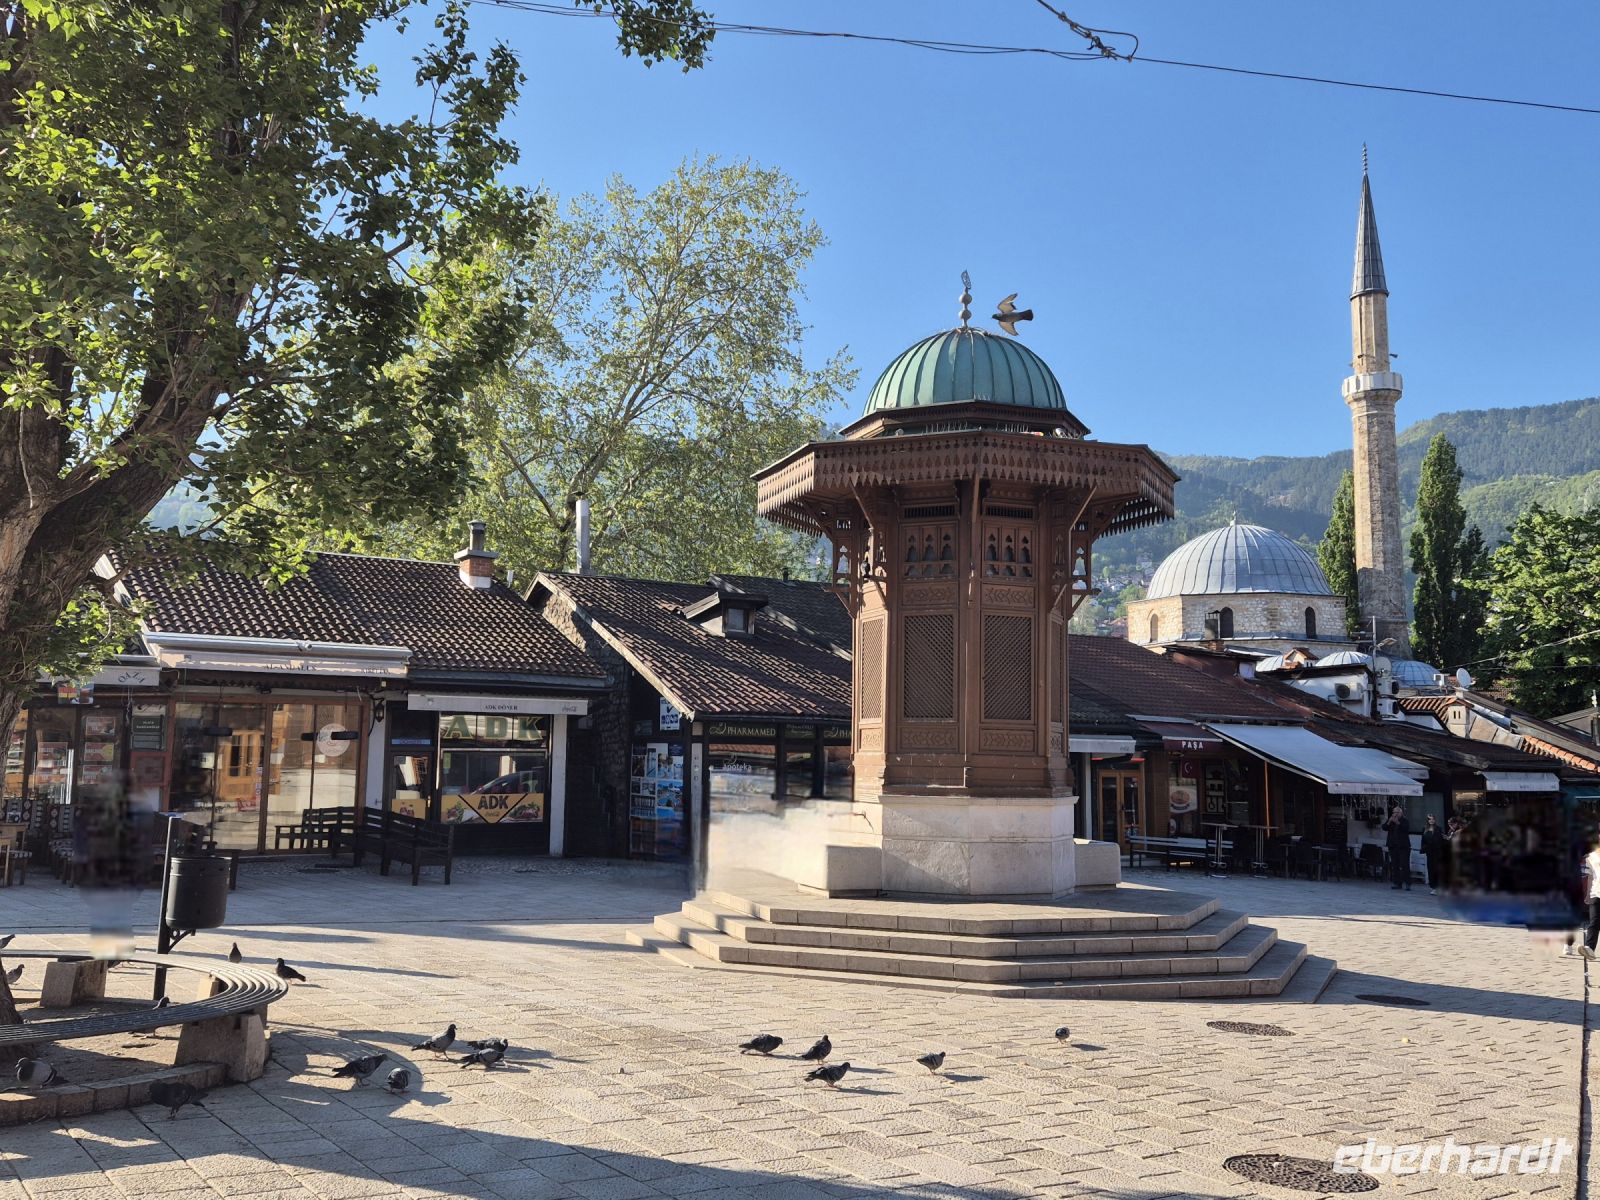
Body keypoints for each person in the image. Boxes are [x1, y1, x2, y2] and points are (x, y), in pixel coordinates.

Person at [1384, 804, 1412, 890]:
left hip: (1403, 847)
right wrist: (1389, 821)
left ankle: (1407, 883)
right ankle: (1397, 883)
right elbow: (1384, 828)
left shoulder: (1404, 820)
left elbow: (1406, 829)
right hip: (1393, 846)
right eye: (1393, 812)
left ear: (1400, 813)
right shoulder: (1391, 820)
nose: (1394, 814)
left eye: (1396, 812)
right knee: (1395, 865)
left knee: (1404, 865)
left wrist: (1397, 822)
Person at [1582, 833, 1600, 961]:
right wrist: (1588, 894)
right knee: (1594, 922)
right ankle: (1589, 949)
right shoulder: (1591, 857)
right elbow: (1590, 876)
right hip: (1596, 893)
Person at [1419, 816, 1447, 895]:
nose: (1431, 820)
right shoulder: (1424, 829)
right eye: (1429, 819)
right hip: (1429, 852)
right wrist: (1423, 849)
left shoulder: (1438, 828)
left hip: (1437, 852)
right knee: (1430, 869)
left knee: (1437, 869)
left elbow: (1442, 839)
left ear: (1435, 820)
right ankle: (1433, 887)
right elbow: (1423, 840)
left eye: (1433, 819)